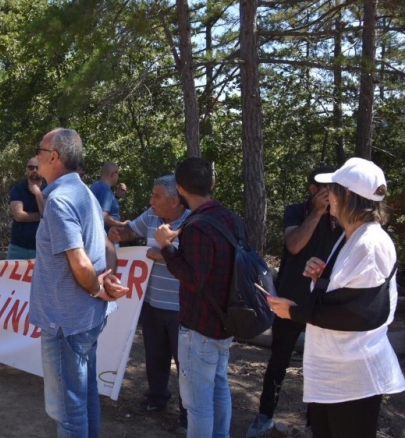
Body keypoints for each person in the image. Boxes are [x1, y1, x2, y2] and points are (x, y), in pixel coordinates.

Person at [268, 158, 405, 438]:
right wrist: (322, 280)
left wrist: (294, 312)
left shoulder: (370, 244)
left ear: (347, 195)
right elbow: (348, 294)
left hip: (354, 377)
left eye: (332, 188)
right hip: (335, 373)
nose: (327, 194)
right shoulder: (351, 237)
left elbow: (361, 314)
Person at [30, 128, 128, 437]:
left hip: (66, 323)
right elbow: (106, 246)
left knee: (68, 412)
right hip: (83, 319)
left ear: (54, 157)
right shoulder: (84, 192)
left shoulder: (59, 200)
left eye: (40, 151)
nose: (36, 157)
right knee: (84, 397)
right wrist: (107, 280)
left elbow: (81, 262)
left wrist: (99, 289)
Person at [246, 166, 343, 437]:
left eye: (335, 188)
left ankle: (314, 424)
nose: (331, 194)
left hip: (324, 304)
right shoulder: (297, 211)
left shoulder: (343, 218)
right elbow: (294, 245)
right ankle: (264, 416)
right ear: (313, 189)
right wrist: (317, 212)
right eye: (326, 188)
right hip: (290, 300)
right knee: (279, 360)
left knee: (320, 364)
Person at [154, 157, 240, 438]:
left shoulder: (197, 227)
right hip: (226, 322)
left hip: (200, 328)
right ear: (211, 183)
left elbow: (193, 279)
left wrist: (166, 247)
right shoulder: (231, 219)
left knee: (197, 404)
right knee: (219, 388)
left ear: (179, 189)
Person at [109, 175, 190, 433]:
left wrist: (164, 254)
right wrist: (118, 232)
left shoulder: (192, 221)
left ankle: (189, 414)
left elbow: (194, 261)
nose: (151, 201)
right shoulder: (152, 216)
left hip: (182, 307)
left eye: (156, 196)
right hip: (152, 301)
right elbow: (131, 230)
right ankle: (156, 398)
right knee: (155, 354)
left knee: (186, 363)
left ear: (174, 201)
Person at [7, 156, 45, 259]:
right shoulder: (18, 189)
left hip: (42, 247)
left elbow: (47, 215)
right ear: (26, 170)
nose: (34, 170)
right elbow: (19, 216)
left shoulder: (49, 189)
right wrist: (41, 216)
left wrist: (38, 194)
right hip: (18, 247)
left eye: (37, 167)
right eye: (31, 167)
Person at [90, 161, 127, 231]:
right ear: (113, 174)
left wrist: (117, 196)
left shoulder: (95, 185)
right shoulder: (105, 191)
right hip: (104, 236)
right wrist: (122, 224)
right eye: (118, 174)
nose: (118, 177)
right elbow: (103, 217)